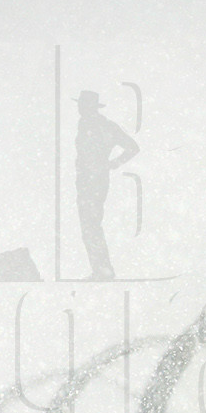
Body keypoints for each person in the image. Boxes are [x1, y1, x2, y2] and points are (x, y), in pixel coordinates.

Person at [74, 90, 139, 280]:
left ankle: (102, 270)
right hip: (90, 180)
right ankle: (101, 269)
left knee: (90, 225)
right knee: (90, 225)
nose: (80, 109)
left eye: (82, 105)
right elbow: (132, 147)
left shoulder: (102, 126)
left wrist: (113, 163)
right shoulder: (90, 124)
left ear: (89, 107)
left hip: (92, 181)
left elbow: (133, 147)